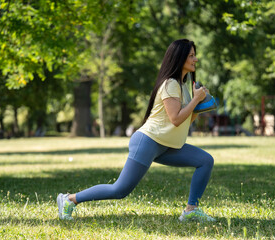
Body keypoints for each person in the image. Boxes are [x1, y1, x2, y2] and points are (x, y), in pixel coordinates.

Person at [57, 39, 215, 222]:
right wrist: (195, 101)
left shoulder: (182, 86)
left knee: (205, 160)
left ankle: (191, 210)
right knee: (120, 190)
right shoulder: (170, 84)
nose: (195, 59)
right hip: (148, 141)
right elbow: (176, 119)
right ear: (180, 58)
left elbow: (185, 121)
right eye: (191, 55)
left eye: (195, 55)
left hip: (167, 144)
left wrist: (199, 106)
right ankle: (69, 199)